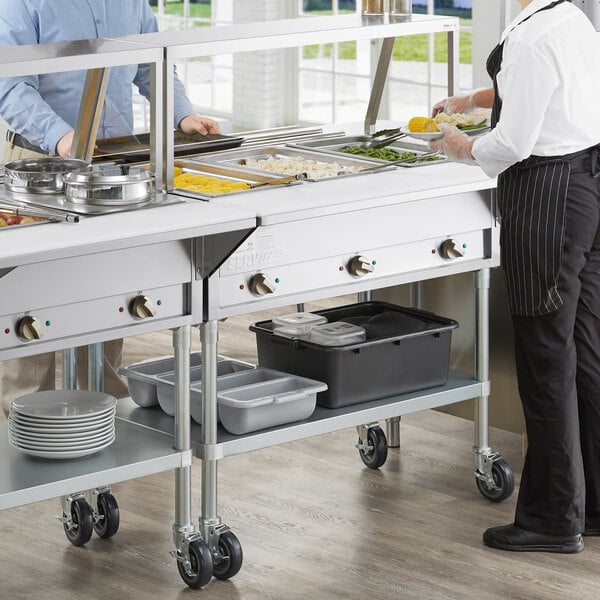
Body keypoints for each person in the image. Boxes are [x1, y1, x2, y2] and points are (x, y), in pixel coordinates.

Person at [430, 0, 600, 553]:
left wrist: (461, 145)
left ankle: (553, 519)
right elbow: (552, 89)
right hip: (587, 187)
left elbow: (511, 144)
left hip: (545, 198)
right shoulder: (571, 17)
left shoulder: (528, 39)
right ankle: (590, 505)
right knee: (586, 354)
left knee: (546, 358)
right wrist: (476, 99)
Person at [0, 0, 221, 414]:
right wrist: (64, 137)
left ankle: (101, 419)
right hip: (41, 165)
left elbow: (150, 66)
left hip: (113, 163)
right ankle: (22, 426)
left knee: (104, 288)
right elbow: (9, 83)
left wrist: (182, 115)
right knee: (31, 300)